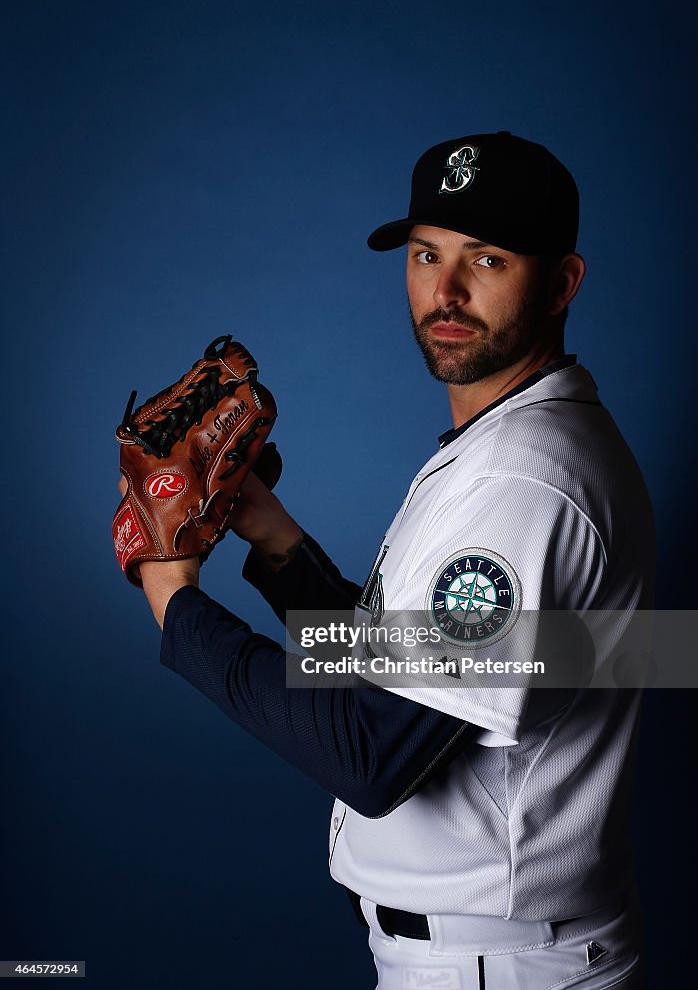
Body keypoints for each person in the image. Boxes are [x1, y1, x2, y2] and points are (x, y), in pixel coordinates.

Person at [127, 132, 654, 989]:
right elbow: (406, 669)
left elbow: (374, 755)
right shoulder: (511, 443)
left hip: (502, 966)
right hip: (500, 953)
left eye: (486, 259)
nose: (443, 291)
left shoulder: (523, 484)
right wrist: (277, 539)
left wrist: (174, 599)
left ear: (561, 283)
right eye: (424, 255)